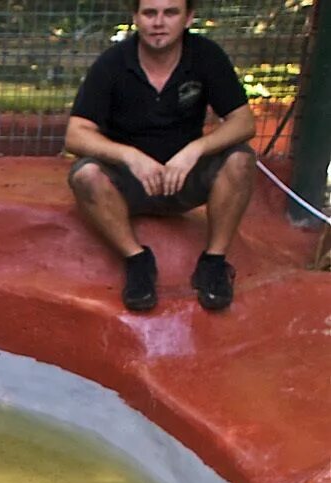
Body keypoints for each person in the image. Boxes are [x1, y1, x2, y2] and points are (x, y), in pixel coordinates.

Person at [64, 0, 256, 314]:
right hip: (130, 184)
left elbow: (244, 122)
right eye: (150, 13)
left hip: (185, 177)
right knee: (85, 175)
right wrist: (129, 156)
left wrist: (196, 150)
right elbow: (76, 134)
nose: (159, 22)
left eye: (170, 13)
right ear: (136, 17)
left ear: (188, 17)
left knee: (241, 159)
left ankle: (213, 263)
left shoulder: (206, 56)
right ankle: (137, 261)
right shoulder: (113, 63)